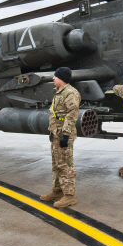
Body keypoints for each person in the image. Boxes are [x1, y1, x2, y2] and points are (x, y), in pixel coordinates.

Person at [40, 67, 81, 208]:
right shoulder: (59, 93)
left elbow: (71, 115)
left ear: (62, 78)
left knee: (65, 165)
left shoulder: (71, 93)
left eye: (55, 77)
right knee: (56, 164)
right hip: (56, 134)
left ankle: (69, 196)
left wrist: (65, 134)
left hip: (64, 135)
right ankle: (57, 191)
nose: (53, 78)